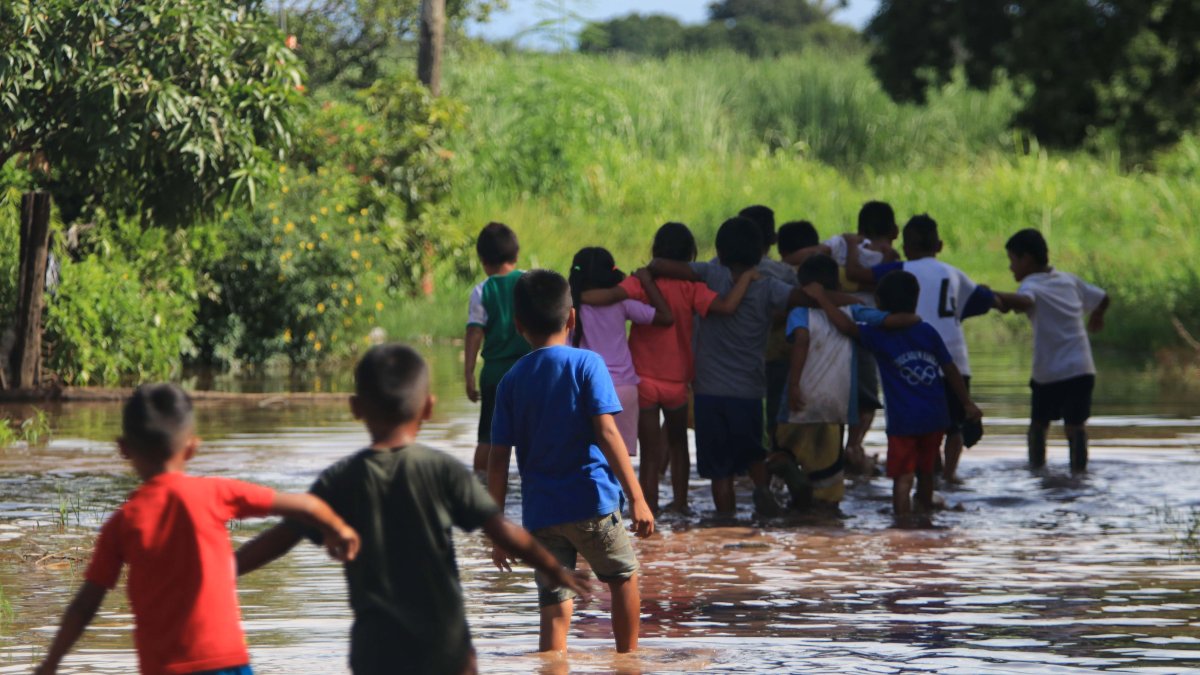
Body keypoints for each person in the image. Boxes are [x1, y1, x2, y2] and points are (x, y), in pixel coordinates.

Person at [236, 344, 590, 675]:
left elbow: (281, 537)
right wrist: (555, 569)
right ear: (429, 408)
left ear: (356, 407)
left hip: (375, 650)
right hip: (445, 646)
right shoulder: (442, 470)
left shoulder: (339, 481)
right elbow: (502, 530)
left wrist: (226, 569)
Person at [35, 384, 361, 675]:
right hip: (228, 663)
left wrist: (51, 663)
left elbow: (85, 605)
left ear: (123, 449)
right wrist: (339, 529)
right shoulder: (216, 493)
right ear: (191, 448)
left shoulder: (122, 523)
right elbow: (305, 505)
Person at [487, 270, 654, 655]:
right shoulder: (587, 364)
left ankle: (553, 665)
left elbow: (497, 464)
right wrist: (638, 496)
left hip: (542, 515)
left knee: (553, 602)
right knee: (623, 578)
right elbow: (608, 435)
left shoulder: (510, 381)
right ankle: (628, 662)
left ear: (518, 325)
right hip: (592, 505)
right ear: (572, 318)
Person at [649, 217, 858, 516]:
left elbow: (660, 265)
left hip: (708, 393)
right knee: (754, 454)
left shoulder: (709, 274)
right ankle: (763, 492)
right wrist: (841, 298)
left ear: (719, 251)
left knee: (720, 474)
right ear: (760, 252)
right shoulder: (769, 286)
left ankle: (725, 524)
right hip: (748, 393)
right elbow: (806, 298)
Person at [579, 222, 757, 513]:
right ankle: (682, 504)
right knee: (678, 446)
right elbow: (726, 308)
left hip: (643, 380)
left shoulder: (638, 284)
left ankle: (648, 507)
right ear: (690, 253)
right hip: (678, 380)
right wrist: (747, 279)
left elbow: (608, 297)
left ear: (656, 251)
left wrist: (575, 295)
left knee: (650, 452)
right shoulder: (692, 286)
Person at [807, 271, 981, 521]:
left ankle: (901, 528)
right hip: (935, 416)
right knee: (926, 473)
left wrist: (822, 299)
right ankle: (924, 518)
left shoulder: (879, 335)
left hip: (903, 422)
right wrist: (966, 403)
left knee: (903, 477)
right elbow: (951, 369)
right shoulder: (927, 331)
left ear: (879, 303)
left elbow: (845, 326)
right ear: (916, 300)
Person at [845, 214, 995, 484]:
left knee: (926, 424)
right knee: (955, 426)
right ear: (939, 245)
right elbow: (984, 299)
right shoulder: (953, 272)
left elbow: (855, 274)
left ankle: (929, 474)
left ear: (905, 246)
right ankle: (949, 477)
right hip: (955, 359)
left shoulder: (901, 270)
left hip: (914, 358)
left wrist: (851, 247)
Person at [771, 255, 916, 510]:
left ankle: (789, 471)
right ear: (836, 284)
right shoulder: (852, 311)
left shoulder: (799, 312)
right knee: (827, 474)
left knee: (786, 446)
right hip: (836, 402)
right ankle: (821, 503)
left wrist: (793, 385)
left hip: (800, 400)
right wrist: (915, 320)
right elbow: (886, 319)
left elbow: (802, 341)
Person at [993, 228, 1109, 471]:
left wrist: (989, 295)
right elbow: (1102, 297)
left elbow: (1025, 302)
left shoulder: (1030, 284)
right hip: (1081, 368)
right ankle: (1079, 477)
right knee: (1075, 427)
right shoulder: (1069, 280)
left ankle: (1036, 473)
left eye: (1012, 261)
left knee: (1038, 426)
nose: (1010, 268)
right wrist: (1097, 315)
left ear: (1027, 259)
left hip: (1049, 372)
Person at [568, 247, 673, 459]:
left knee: (586, 459)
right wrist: (647, 283)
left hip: (584, 390)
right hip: (624, 390)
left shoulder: (571, 307)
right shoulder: (621, 303)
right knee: (620, 461)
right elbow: (665, 317)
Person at [465, 222, 530, 474]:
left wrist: (468, 373)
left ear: (482, 260)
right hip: (529, 370)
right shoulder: (529, 282)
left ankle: (480, 490)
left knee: (488, 438)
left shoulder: (482, 290)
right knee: (531, 436)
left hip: (494, 374)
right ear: (515, 255)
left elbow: (474, 332)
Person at [739, 205, 799, 456]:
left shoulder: (722, 271)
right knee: (775, 421)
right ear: (773, 239)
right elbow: (796, 307)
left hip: (739, 360)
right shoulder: (784, 273)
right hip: (778, 357)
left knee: (743, 422)